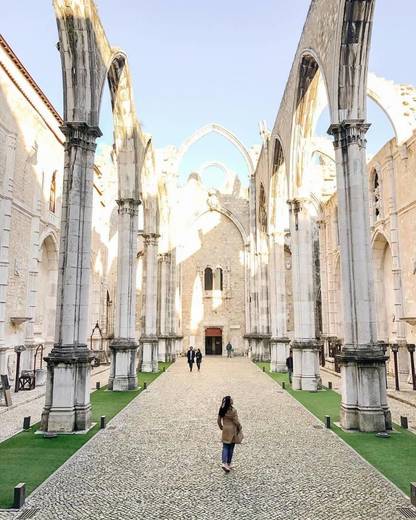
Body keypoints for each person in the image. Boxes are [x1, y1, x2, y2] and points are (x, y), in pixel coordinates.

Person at [217, 395, 243, 473]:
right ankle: (229, 463)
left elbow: (218, 420)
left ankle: (224, 463)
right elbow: (236, 421)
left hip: (225, 429)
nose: (233, 400)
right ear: (230, 402)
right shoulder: (233, 410)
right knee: (231, 447)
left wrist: (221, 427)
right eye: (231, 399)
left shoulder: (222, 409)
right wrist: (239, 426)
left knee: (225, 446)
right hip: (233, 430)